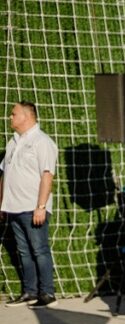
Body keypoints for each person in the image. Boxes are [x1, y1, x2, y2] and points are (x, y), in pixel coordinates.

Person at [1, 101, 58, 308]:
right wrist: (2, 203)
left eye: (13, 114)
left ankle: (48, 293)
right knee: (23, 252)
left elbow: (47, 175)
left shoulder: (42, 142)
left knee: (39, 249)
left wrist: (41, 206)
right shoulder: (13, 142)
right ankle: (30, 291)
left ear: (26, 116)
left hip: (32, 207)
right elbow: (4, 175)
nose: (10, 117)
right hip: (13, 206)